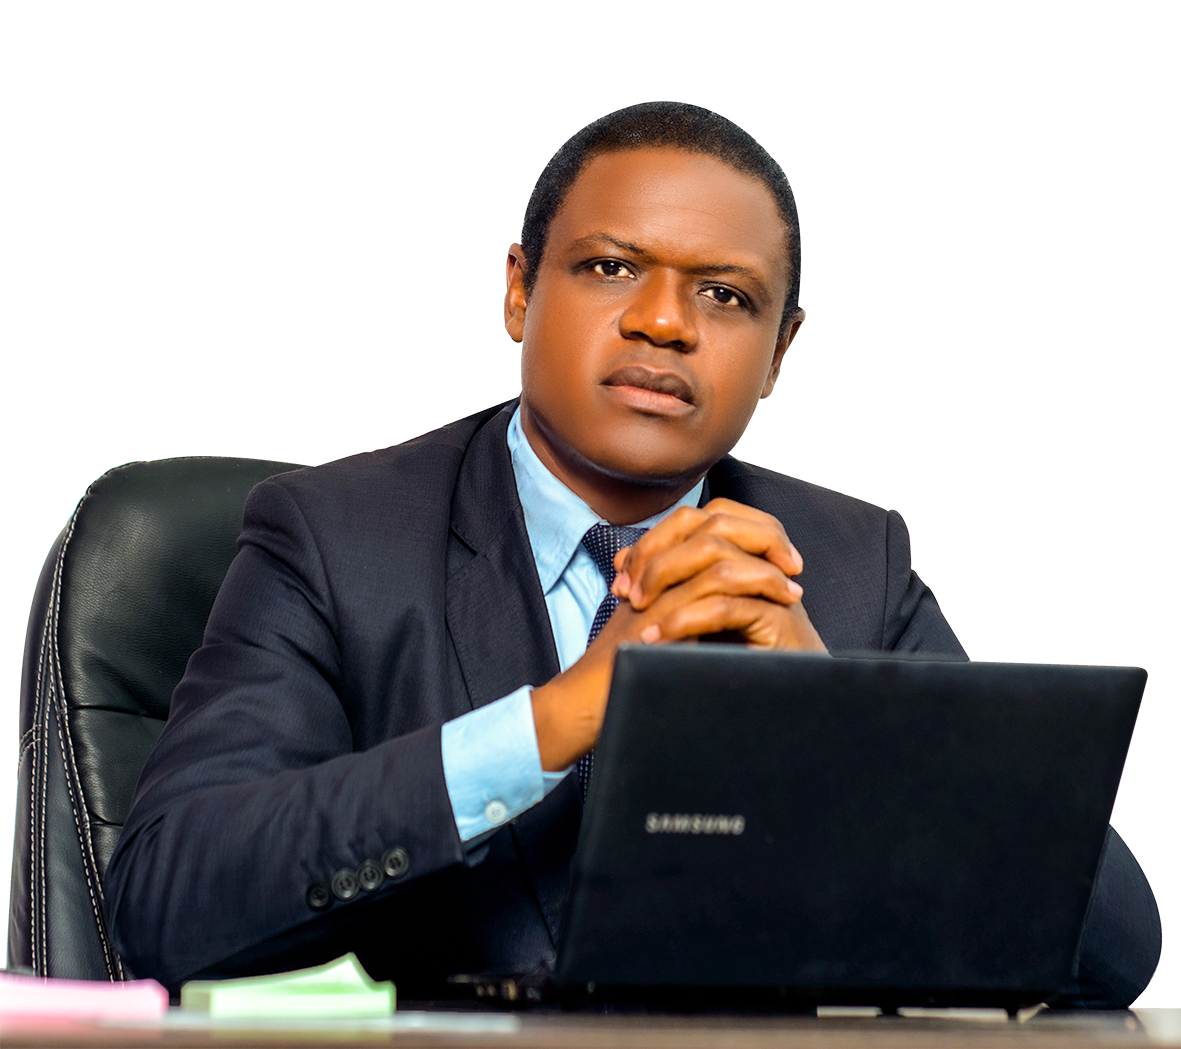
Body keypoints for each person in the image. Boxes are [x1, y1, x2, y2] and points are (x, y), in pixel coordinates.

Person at [104, 103, 1160, 1007]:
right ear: (519, 292)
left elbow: (1111, 948)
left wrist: (836, 718)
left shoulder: (847, 568)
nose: (662, 322)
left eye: (725, 295)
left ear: (778, 354)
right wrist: (554, 720)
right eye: (609, 267)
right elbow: (167, 904)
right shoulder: (334, 538)